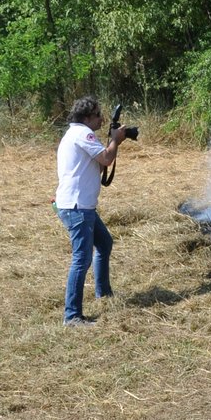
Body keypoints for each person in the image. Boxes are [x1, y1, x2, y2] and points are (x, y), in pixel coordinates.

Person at [53, 95, 132, 326]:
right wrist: (115, 141)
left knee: (104, 243)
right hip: (78, 208)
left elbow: (96, 166)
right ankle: (72, 316)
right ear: (87, 117)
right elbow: (106, 159)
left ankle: (103, 293)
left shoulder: (74, 134)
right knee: (81, 259)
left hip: (79, 205)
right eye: (98, 115)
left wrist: (114, 141)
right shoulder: (83, 134)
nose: (102, 119)